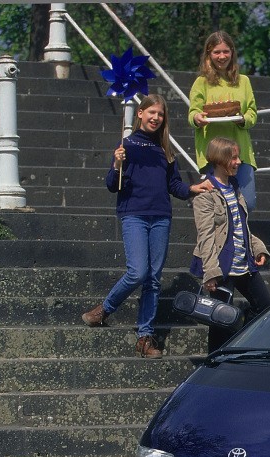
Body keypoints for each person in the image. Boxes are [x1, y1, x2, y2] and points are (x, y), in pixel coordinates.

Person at [82, 94, 212, 358]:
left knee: (153, 279)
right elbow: (112, 185)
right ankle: (105, 309)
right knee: (138, 272)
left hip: (161, 216)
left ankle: (145, 337)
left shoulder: (165, 150)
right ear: (140, 113)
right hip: (134, 215)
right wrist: (117, 164)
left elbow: (174, 185)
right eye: (151, 112)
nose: (156, 117)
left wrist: (192, 189)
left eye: (160, 114)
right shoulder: (127, 145)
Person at [190, 136, 270, 353]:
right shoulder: (206, 193)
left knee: (265, 306)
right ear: (219, 160)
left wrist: (258, 248)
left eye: (238, 157)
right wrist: (210, 272)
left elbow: (241, 227)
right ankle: (214, 364)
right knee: (219, 321)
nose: (238, 162)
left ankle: (238, 335)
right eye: (233, 158)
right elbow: (205, 236)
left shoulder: (235, 188)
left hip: (244, 264)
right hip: (222, 266)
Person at [188, 31, 259, 210]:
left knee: (247, 203)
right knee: (219, 205)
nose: (222, 56)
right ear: (209, 54)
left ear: (232, 52)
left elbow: (252, 113)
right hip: (214, 153)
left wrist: (243, 119)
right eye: (217, 52)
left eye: (226, 51)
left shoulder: (244, 81)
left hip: (240, 152)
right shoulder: (201, 82)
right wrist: (197, 118)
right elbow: (193, 112)